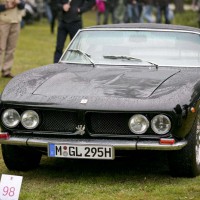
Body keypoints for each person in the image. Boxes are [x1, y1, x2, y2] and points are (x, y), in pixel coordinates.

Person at [0, 0, 25, 78]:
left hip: (16, 22)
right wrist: (6, 6)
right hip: (2, 22)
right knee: (0, 47)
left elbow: (23, 6)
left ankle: (6, 70)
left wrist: (19, 2)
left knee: (11, 48)